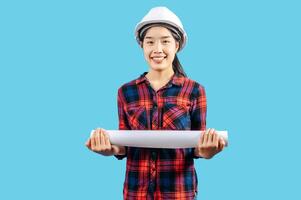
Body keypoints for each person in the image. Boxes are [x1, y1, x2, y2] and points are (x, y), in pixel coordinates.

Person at [85, 6, 226, 200]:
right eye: (150, 42)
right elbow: (124, 145)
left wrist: (209, 151)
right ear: (142, 46)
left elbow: (198, 147)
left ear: (176, 45)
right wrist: (109, 148)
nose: (157, 49)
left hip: (178, 193)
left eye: (165, 41)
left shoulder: (194, 91)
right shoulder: (126, 92)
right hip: (136, 192)